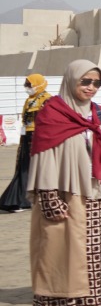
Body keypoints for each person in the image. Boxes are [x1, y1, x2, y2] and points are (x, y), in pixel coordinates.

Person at [27, 60, 101, 306]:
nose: (91, 87)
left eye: (96, 83)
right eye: (85, 81)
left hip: (96, 196)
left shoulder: (100, 114)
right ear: (71, 80)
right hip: (65, 195)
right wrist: (48, 195)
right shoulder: (52, 114)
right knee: (59, 256)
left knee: (93, 255)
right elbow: (43, 156)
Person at [2, 73, 53, 212]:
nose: (27, 87)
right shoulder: (29, 99)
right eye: (26, 84)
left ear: (38, 84)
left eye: (29, 85)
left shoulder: (47, 100)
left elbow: (49, 121)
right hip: (27, 136)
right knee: (24, 167)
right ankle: (22, 198)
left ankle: (23, 199)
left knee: (34, 168)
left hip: (39, 137)